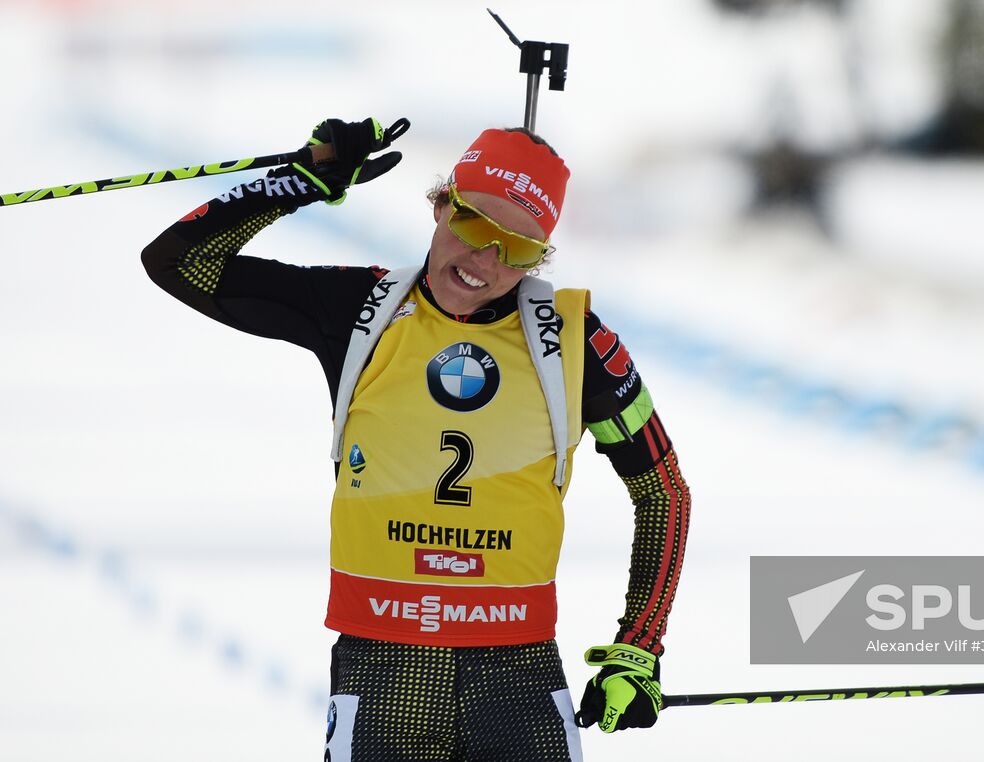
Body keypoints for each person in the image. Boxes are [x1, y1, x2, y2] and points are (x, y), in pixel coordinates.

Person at [141, 118, 692, 761]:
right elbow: (176, 262)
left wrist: (639, 647)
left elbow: (664, 493)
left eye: (515, 249)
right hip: (384, 675)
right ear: (438, 205)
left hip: (515, 681)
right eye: (473, 226)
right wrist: (299, 182)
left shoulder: (576, 343)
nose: (484, 263)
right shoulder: (357, 309)